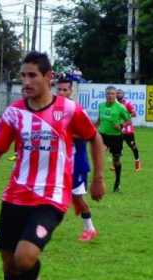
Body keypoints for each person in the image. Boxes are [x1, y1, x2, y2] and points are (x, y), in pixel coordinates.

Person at [0, 51, 107, 280]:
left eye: (32, 75)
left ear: (48, 77)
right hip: (15, 197)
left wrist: (98, 178)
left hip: (50, 198)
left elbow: (94, 138)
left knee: (25, 258)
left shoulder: (68, 110)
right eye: (23, 75)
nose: (26, 81)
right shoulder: (14, 113)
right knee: (9, 265)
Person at [56, 78, 98, 241]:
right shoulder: (54, 110)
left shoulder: (78, 111)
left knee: (77, 198)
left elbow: (89, 135)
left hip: (77, 162)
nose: (62, 93)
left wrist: (67, 134)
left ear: (71, 91)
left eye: (65, 90)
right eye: (59, 89)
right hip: (59, 161)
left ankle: (90, 228)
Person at [98, 86, 132, 192]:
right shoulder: (101, 106)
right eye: (108, 94)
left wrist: (121, 126)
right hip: (102, 135)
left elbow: (128, 120)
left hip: (116, 137)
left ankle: (117, 183)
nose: (110, 96)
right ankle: (98, 181)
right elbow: (99, 120)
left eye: (112, 94)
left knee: (116, 160)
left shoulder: (120, 107)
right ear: (105, 95)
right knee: (99, 156)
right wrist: (92, 128)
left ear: (115, 95)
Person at [116, 89, 142, 171]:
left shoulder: (127, 103)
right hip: (119, 129)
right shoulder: (115, 105)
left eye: (120, 93)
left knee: (133, 146)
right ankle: (116, 163)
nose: (119, 95)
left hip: (128, 130)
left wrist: (126, 117)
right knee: (117, 147)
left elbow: (134, 114)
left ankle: (137, 162)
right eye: (117, 93)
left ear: (123, 95)